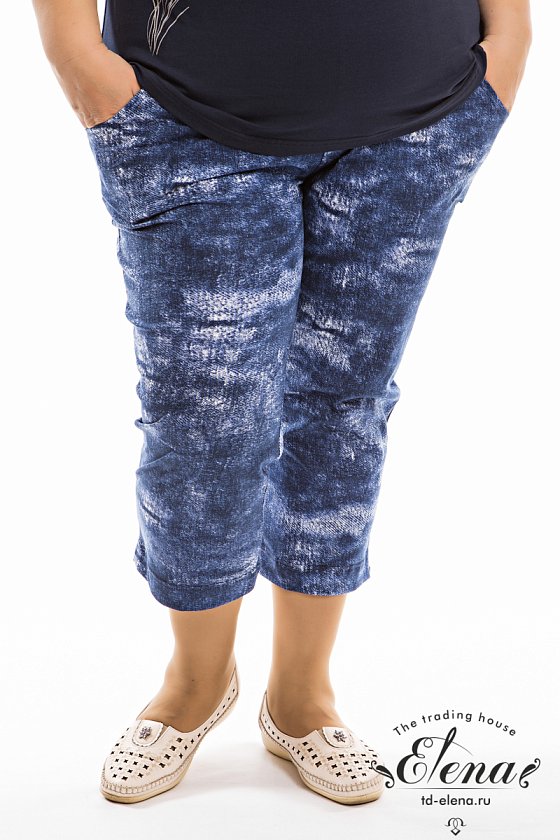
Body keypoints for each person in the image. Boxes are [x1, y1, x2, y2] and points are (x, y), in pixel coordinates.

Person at [32, 0, 531, 807]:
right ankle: (195, 684)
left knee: (345, 409)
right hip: (185, 113)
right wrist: (71, 49)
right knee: (204, 420)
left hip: (418, 113)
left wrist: (509, 41)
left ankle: (302, 698)